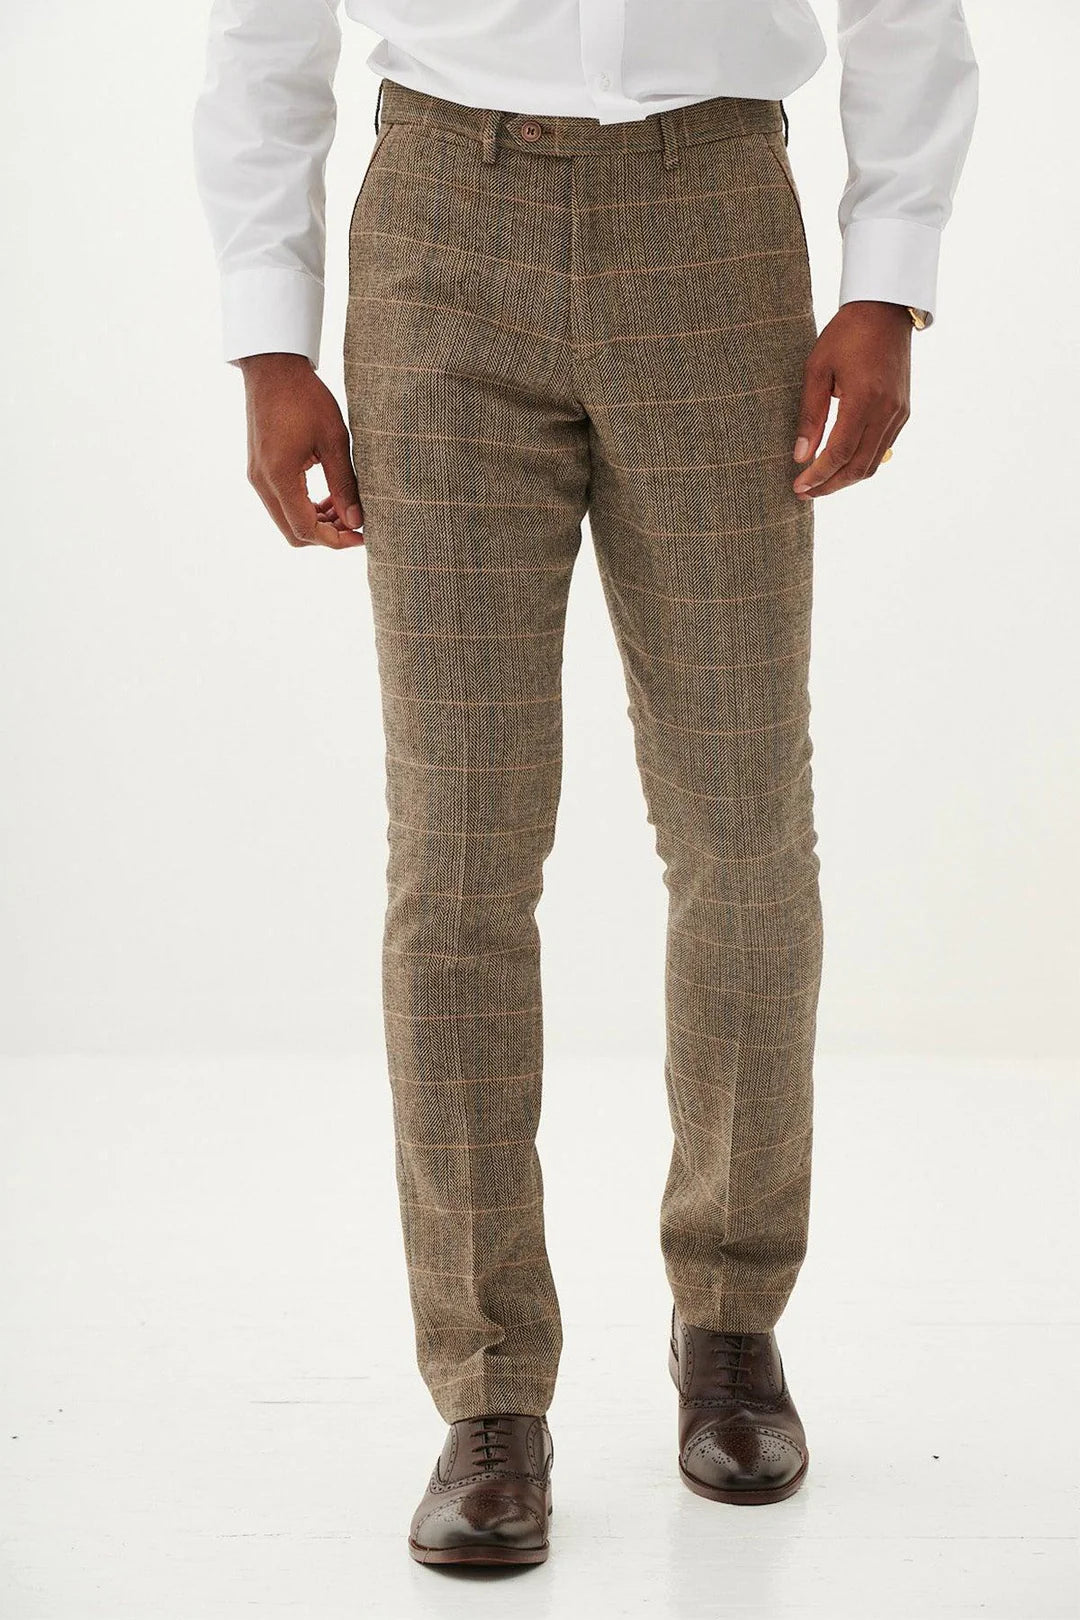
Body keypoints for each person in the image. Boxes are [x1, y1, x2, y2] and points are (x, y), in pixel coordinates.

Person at [193, 0, 978, 1568]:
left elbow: (906, 9)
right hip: (440, 230)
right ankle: (488, 1390)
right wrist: (270, 337)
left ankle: (732, 1322)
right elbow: (262, 28)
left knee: (743, 825)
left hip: (716, 222)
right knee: (458, 853)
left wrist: (890, 276)